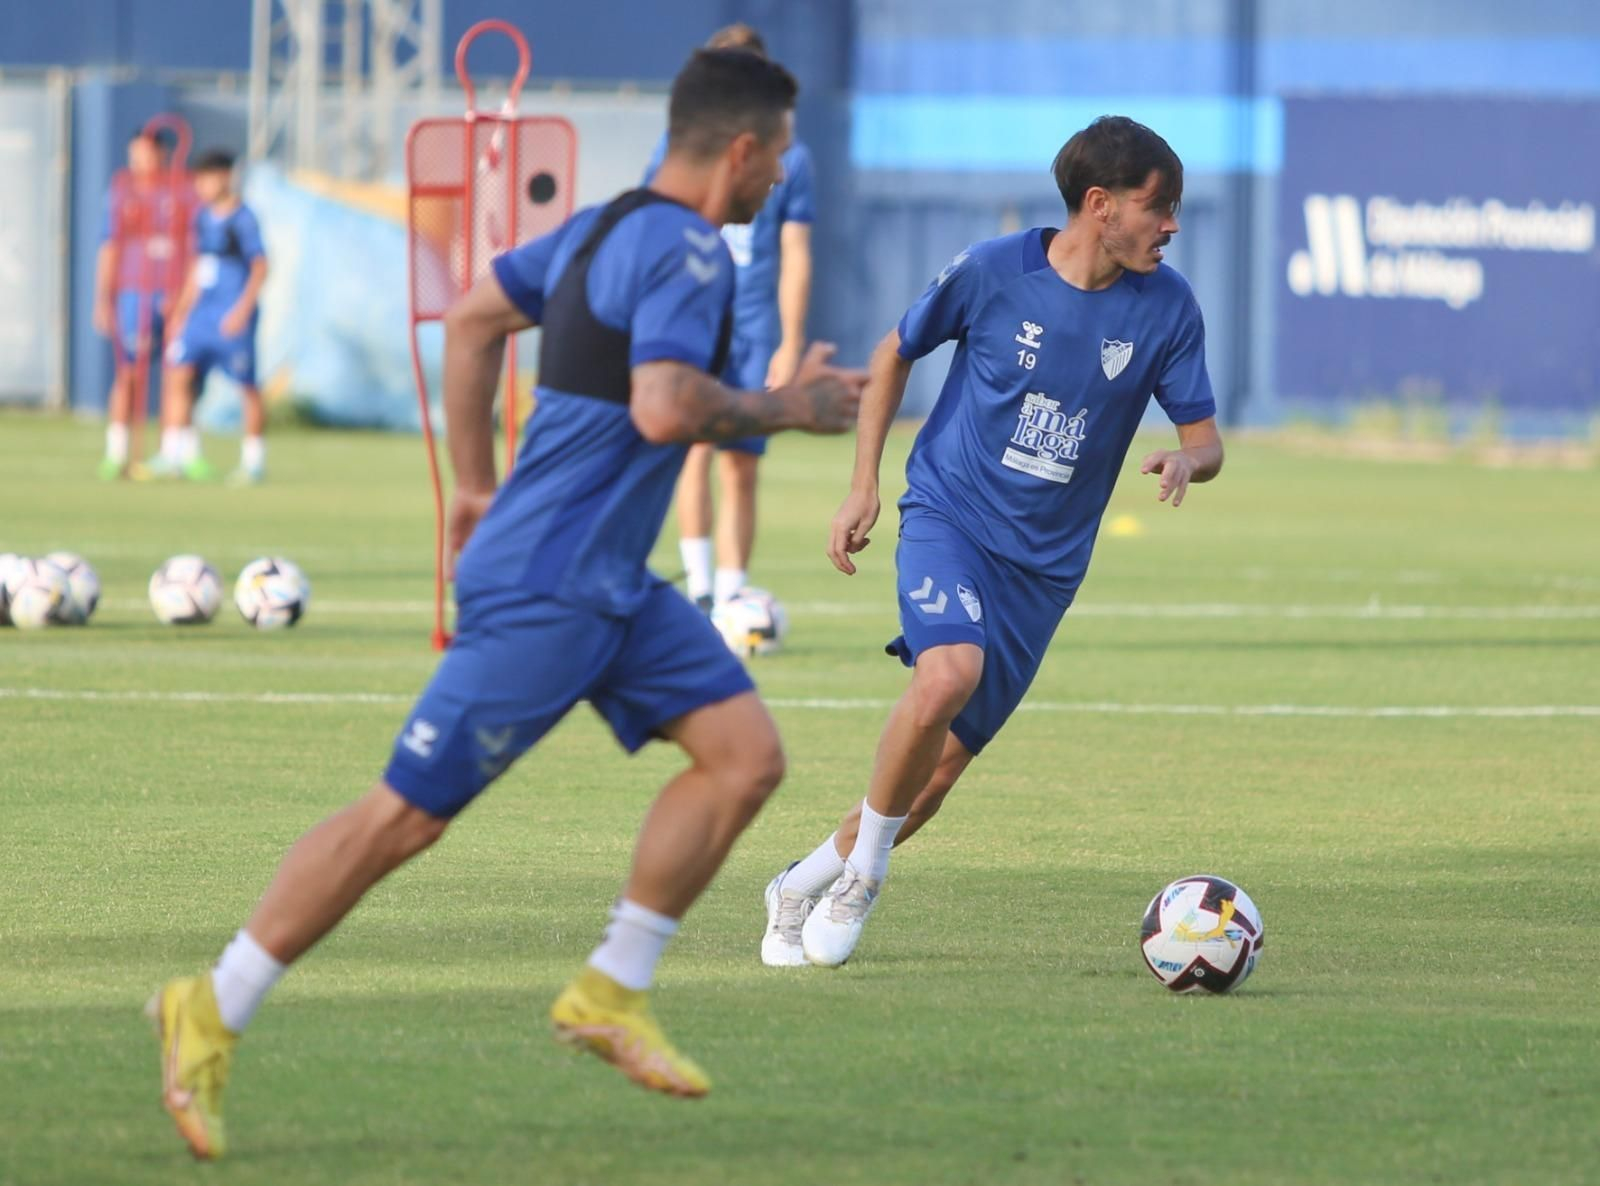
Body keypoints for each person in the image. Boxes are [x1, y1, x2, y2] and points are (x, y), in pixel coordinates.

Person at [146, 47, 865, 1159]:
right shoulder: (686, 252)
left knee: (743, 754)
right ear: (741, 150)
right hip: (548, 583)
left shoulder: (599, 225)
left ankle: (611, 988)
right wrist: (792, 404)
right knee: (405, 818)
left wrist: (474, 482)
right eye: (777, 155)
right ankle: (215, 1000)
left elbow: (476, 317)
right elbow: (667, 408)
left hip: (609, 582)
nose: (781, 177)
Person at [759, 116, 1226, 969]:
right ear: (1099, 205)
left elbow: (1209, 439)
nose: (1172, 225)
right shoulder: (991, 271)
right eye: (1159, 206)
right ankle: (865, 877)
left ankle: (798, 883)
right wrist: (863, 483)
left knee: (934, 779)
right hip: (951, 516)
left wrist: (1189, 462)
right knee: (949, 672)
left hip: (1043, 572)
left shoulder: (1168, 307)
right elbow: (893, 353)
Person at [643, 23, 815, 611]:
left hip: (751, 324)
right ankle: (698, 587)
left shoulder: (792, 157)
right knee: (692, 446)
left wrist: (790, 339)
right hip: (696, 319)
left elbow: (795, 251)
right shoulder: (677, 154)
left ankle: (734, 591)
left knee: (742, 460)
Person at [155, 149, 270, 484]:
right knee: (179, 375)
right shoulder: (202, 217)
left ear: (224, 177)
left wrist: (241, 311)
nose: (201, 187)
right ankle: (179, 454)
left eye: (206, 179)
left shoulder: (244, 218)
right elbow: (197, 267)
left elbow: (261, 266)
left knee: (247, 386)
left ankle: (254, 461)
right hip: (201, 315)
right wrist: (181, 310)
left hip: (230, 316)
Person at [95, 130, 186, 480]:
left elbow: (190, 247)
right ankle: (116, 452)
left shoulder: (181, 192)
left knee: (176, 374)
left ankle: (172, 454)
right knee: (129, 372)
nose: (139, 163)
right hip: (134, 293)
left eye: (145, 155)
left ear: (162, 155)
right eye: (134, 156)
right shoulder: (122, 193)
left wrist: (182, 293)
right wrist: (103, 298)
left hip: (172, 293)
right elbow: (109, 247)